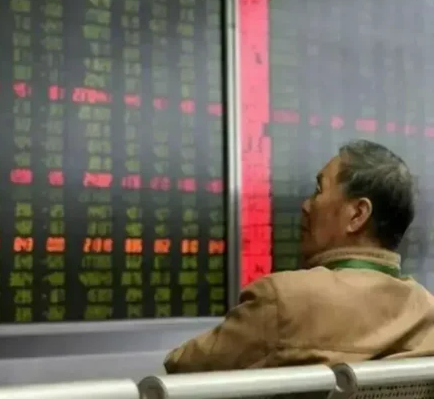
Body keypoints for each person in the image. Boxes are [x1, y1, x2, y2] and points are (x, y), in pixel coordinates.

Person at [164, 139, 434, 373]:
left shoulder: (282, 302)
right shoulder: (426, 312)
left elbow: (181, 369)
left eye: (318, 190)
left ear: (357, 214)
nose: (306, 205)